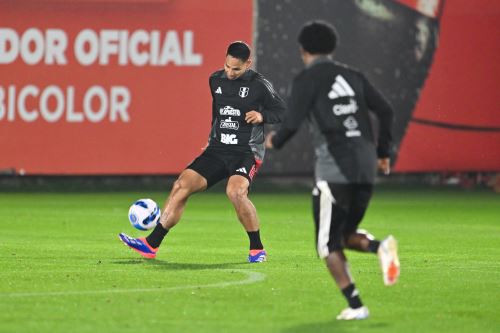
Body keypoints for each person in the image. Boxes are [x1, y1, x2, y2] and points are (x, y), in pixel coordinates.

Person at [265, 21, 400, 320]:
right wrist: (383, 153)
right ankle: (381, 247)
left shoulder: (307, 79)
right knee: (345, 234)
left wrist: (274, 140)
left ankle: (356, 306)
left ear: (303, 50)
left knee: (326, 245)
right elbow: (387, 111)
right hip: (366, 168)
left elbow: (291, 122)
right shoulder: (354, 76)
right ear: (332, 47)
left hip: (335, 170)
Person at [120, 41, 285, 263]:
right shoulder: (215, 80)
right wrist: (211, 138)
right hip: (217, 149)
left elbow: (283, 112)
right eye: (227, 66)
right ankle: (151, 244)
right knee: (181, 184)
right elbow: (218, 113)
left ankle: (257, 248)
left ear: (248, 63)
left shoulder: (259, 85)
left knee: (235, 192)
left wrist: (262, 116)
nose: (230, 72)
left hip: (245, 151)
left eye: (236, 69)